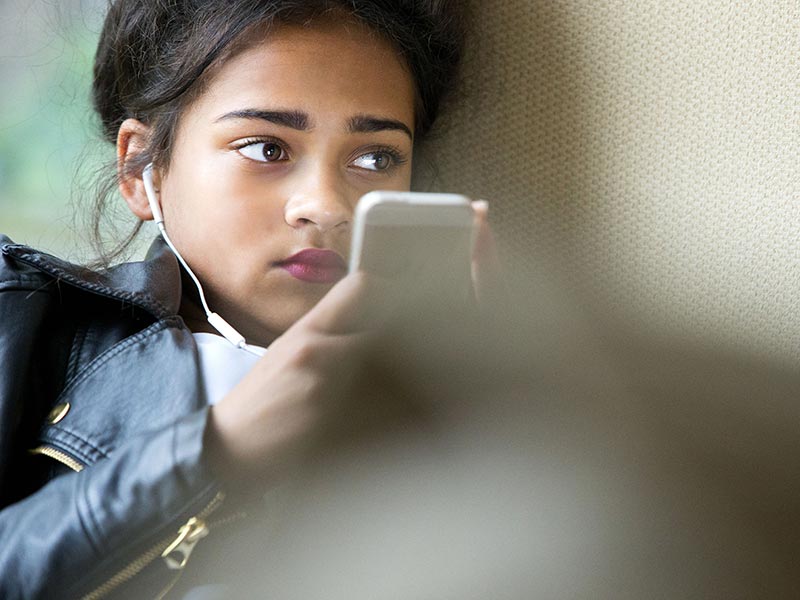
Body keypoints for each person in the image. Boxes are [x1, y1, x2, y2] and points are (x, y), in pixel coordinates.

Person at [0, 1, 496, 597]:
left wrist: (500, 424)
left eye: (374, 159)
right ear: (140, 169)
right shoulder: (26, 316)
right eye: (266, 148)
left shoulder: (444, 396)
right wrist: (216, 446)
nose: (326, 206)